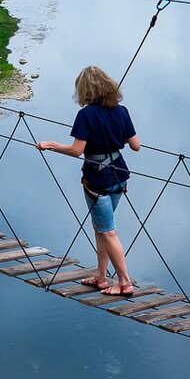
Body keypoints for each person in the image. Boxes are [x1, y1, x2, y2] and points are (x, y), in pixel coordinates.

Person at [36, 66, 140, 295]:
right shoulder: (122, 111)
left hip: (97, 180)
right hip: (120, 176)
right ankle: (102, 277)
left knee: (108, 232)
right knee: (100, 228)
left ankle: (125, 283)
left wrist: (50, 145)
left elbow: (76, 151)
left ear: (85, 90)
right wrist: (114, 134)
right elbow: (136, 146)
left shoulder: (85, 115)